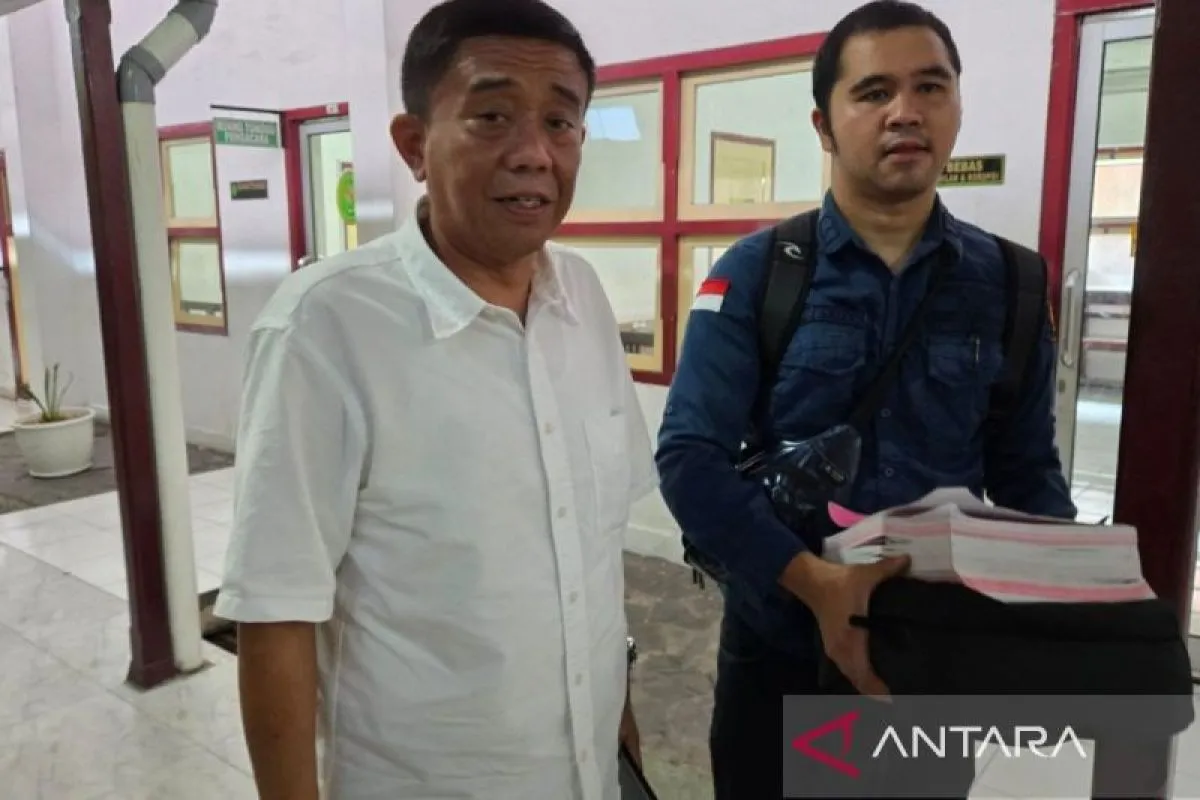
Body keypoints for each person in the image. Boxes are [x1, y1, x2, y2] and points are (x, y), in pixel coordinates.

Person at [214, 1, 658, 798]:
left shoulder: (583, 297)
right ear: (415, 145)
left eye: (560, 123)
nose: (534, 154)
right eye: (492, 117)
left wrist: (616, 712)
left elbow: (592, 552)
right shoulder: (325, 326)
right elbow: (276, 611)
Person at [655, 1, 1077, 797]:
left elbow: (1026, 474)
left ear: (958, 107)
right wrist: (817, 584)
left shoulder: (1013, 283)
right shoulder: (758, 272)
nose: (905, 112)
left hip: (930, 657)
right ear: (824, 125)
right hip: (783, 647)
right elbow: (688, 460)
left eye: (930, 87)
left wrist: (1054, 604)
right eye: (874, 92)